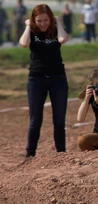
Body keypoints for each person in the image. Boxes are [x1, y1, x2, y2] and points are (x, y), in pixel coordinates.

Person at [19, 4, 69, 157]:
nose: (42, 24)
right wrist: (28, 26)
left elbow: (63, 39)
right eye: (39, 20)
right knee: (35, 120)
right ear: (34, 20)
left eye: (46, 20)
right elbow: (24, 43)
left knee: (59, 119)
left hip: (57, 78)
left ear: (51, 18)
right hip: (37, 79)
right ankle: (30, 153)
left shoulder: (55, 30)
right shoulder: (32, 31)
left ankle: (61, 153)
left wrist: (58, 22)